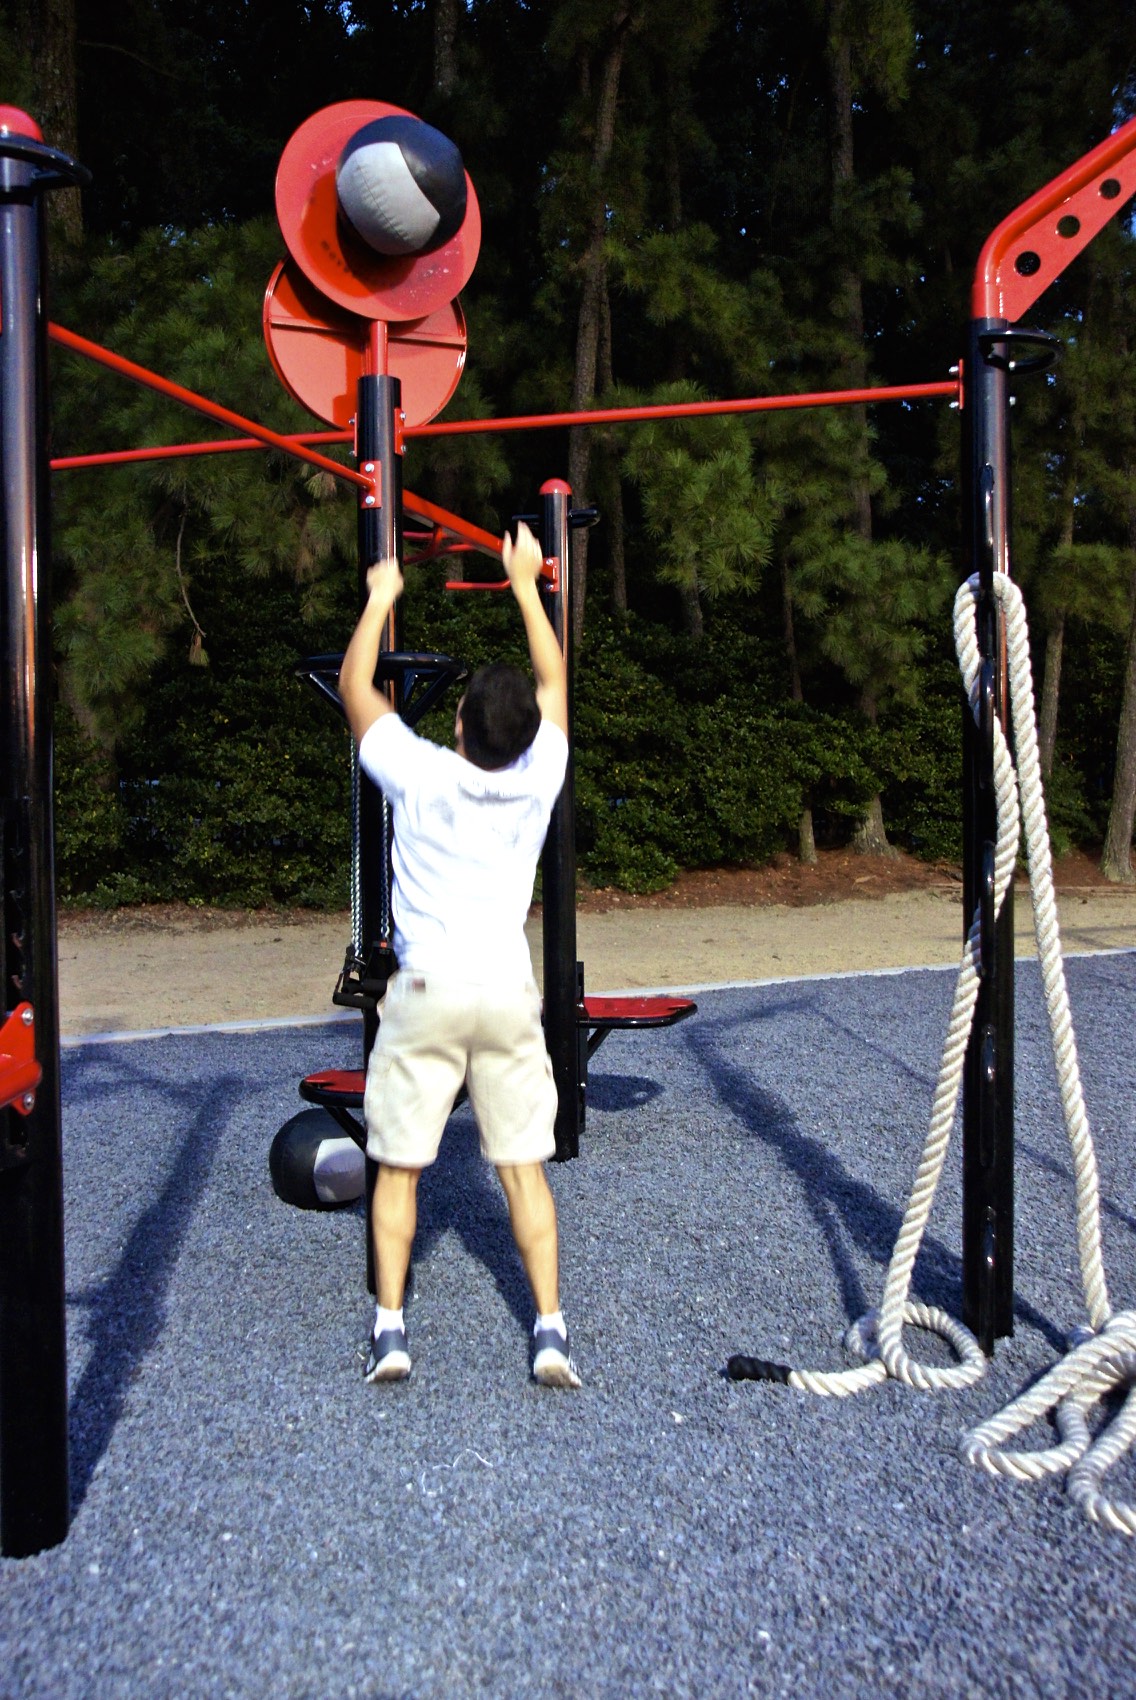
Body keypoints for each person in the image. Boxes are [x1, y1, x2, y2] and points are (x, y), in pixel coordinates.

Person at [337, 520, 580, 1389]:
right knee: (523, 1169)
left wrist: (381, 598)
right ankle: (551, 1332)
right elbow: (556, 680)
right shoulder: (541, 773)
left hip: (430, 989)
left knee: (398, 1166)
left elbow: (355, 686)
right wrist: (525, 585)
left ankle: (392, 1330)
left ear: (461, 724)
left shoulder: (421, 770)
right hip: (507, 992)